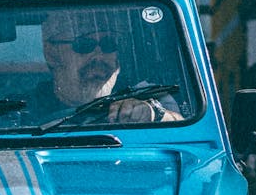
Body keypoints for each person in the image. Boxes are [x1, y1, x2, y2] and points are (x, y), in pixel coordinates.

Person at [34, 10, 182, 124]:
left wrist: (152, 113)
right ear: (52, 54)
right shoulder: (28, 105)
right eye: (84, 45)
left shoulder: (149, 95)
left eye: (109, 44)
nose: (99, 56)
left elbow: (182, 126)